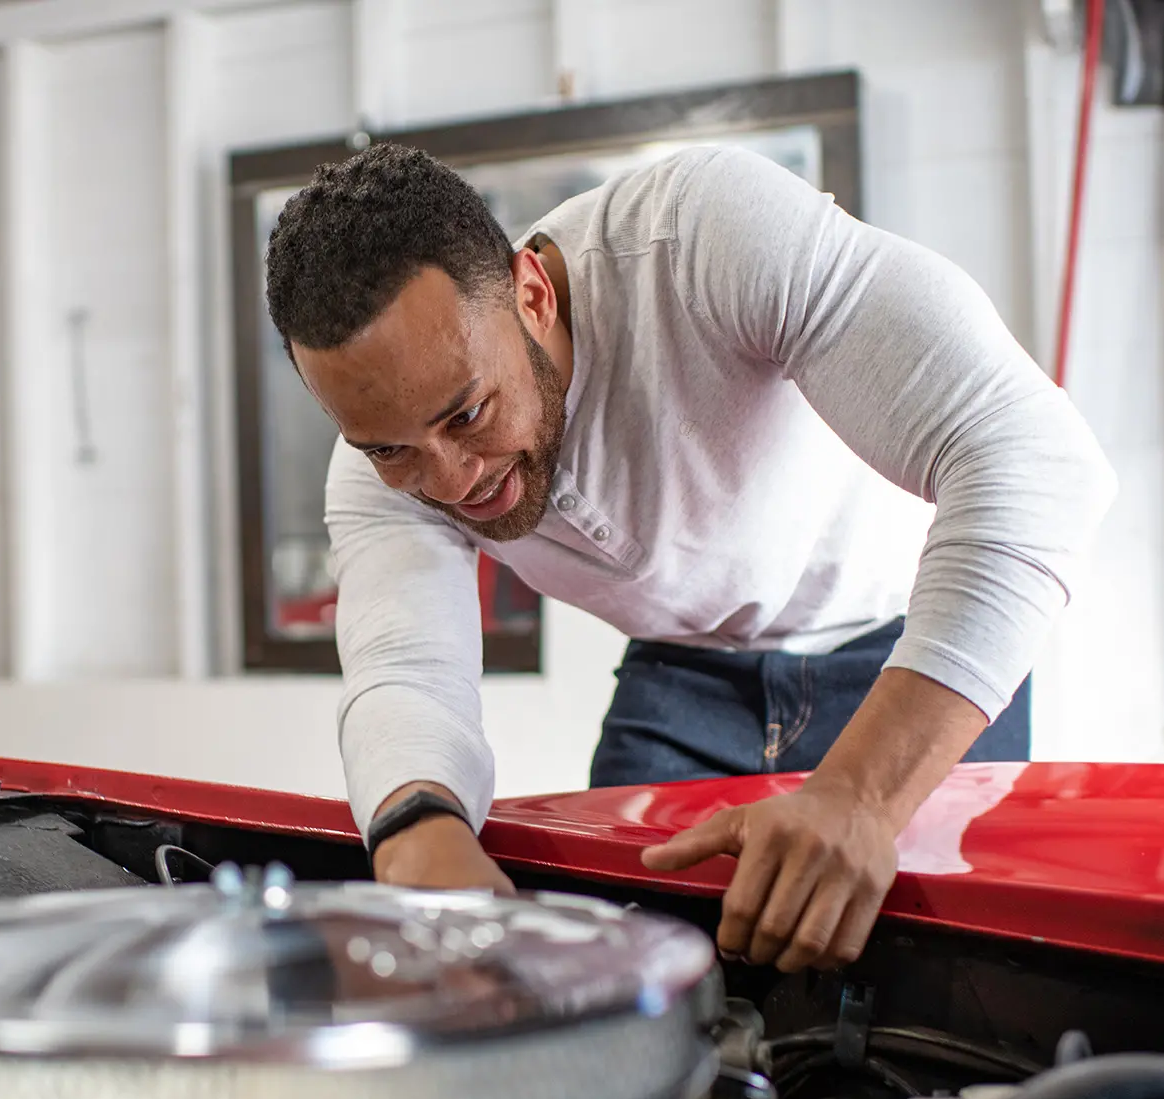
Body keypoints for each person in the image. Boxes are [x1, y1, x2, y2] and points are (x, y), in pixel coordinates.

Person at [263, 142, 1115, 972]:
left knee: (937, 985)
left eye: (468, 414)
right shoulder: (381, 474)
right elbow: (406, 671)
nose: (450, 481)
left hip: (898, 646)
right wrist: (418, 836)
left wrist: (859, 793)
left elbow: (1036, 459)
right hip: (687, 676)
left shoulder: (703, 238)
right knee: (627, 975)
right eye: (390, 449)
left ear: (529, 295)